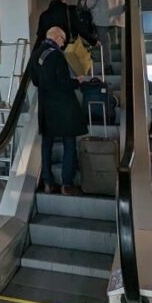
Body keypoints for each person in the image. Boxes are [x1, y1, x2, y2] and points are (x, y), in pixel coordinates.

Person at [31, 26, 89, 196]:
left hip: (46, 106)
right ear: (56, 37)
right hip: (63, 107)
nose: (63, 43)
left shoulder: (35, 54)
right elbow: (63, 83)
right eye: (63, 39)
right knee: (69, 144)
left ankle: (48, 183)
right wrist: (78, 81)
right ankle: (66, 184)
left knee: (46, 145)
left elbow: (35, 81)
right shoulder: (57, 55)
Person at [85, 0, 135, 73]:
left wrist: (84, 4)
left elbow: (90, 3)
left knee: (105, 43)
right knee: (113, 42)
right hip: (116, 17)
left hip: (101, 19)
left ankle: (108, 67)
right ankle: (125, 66)